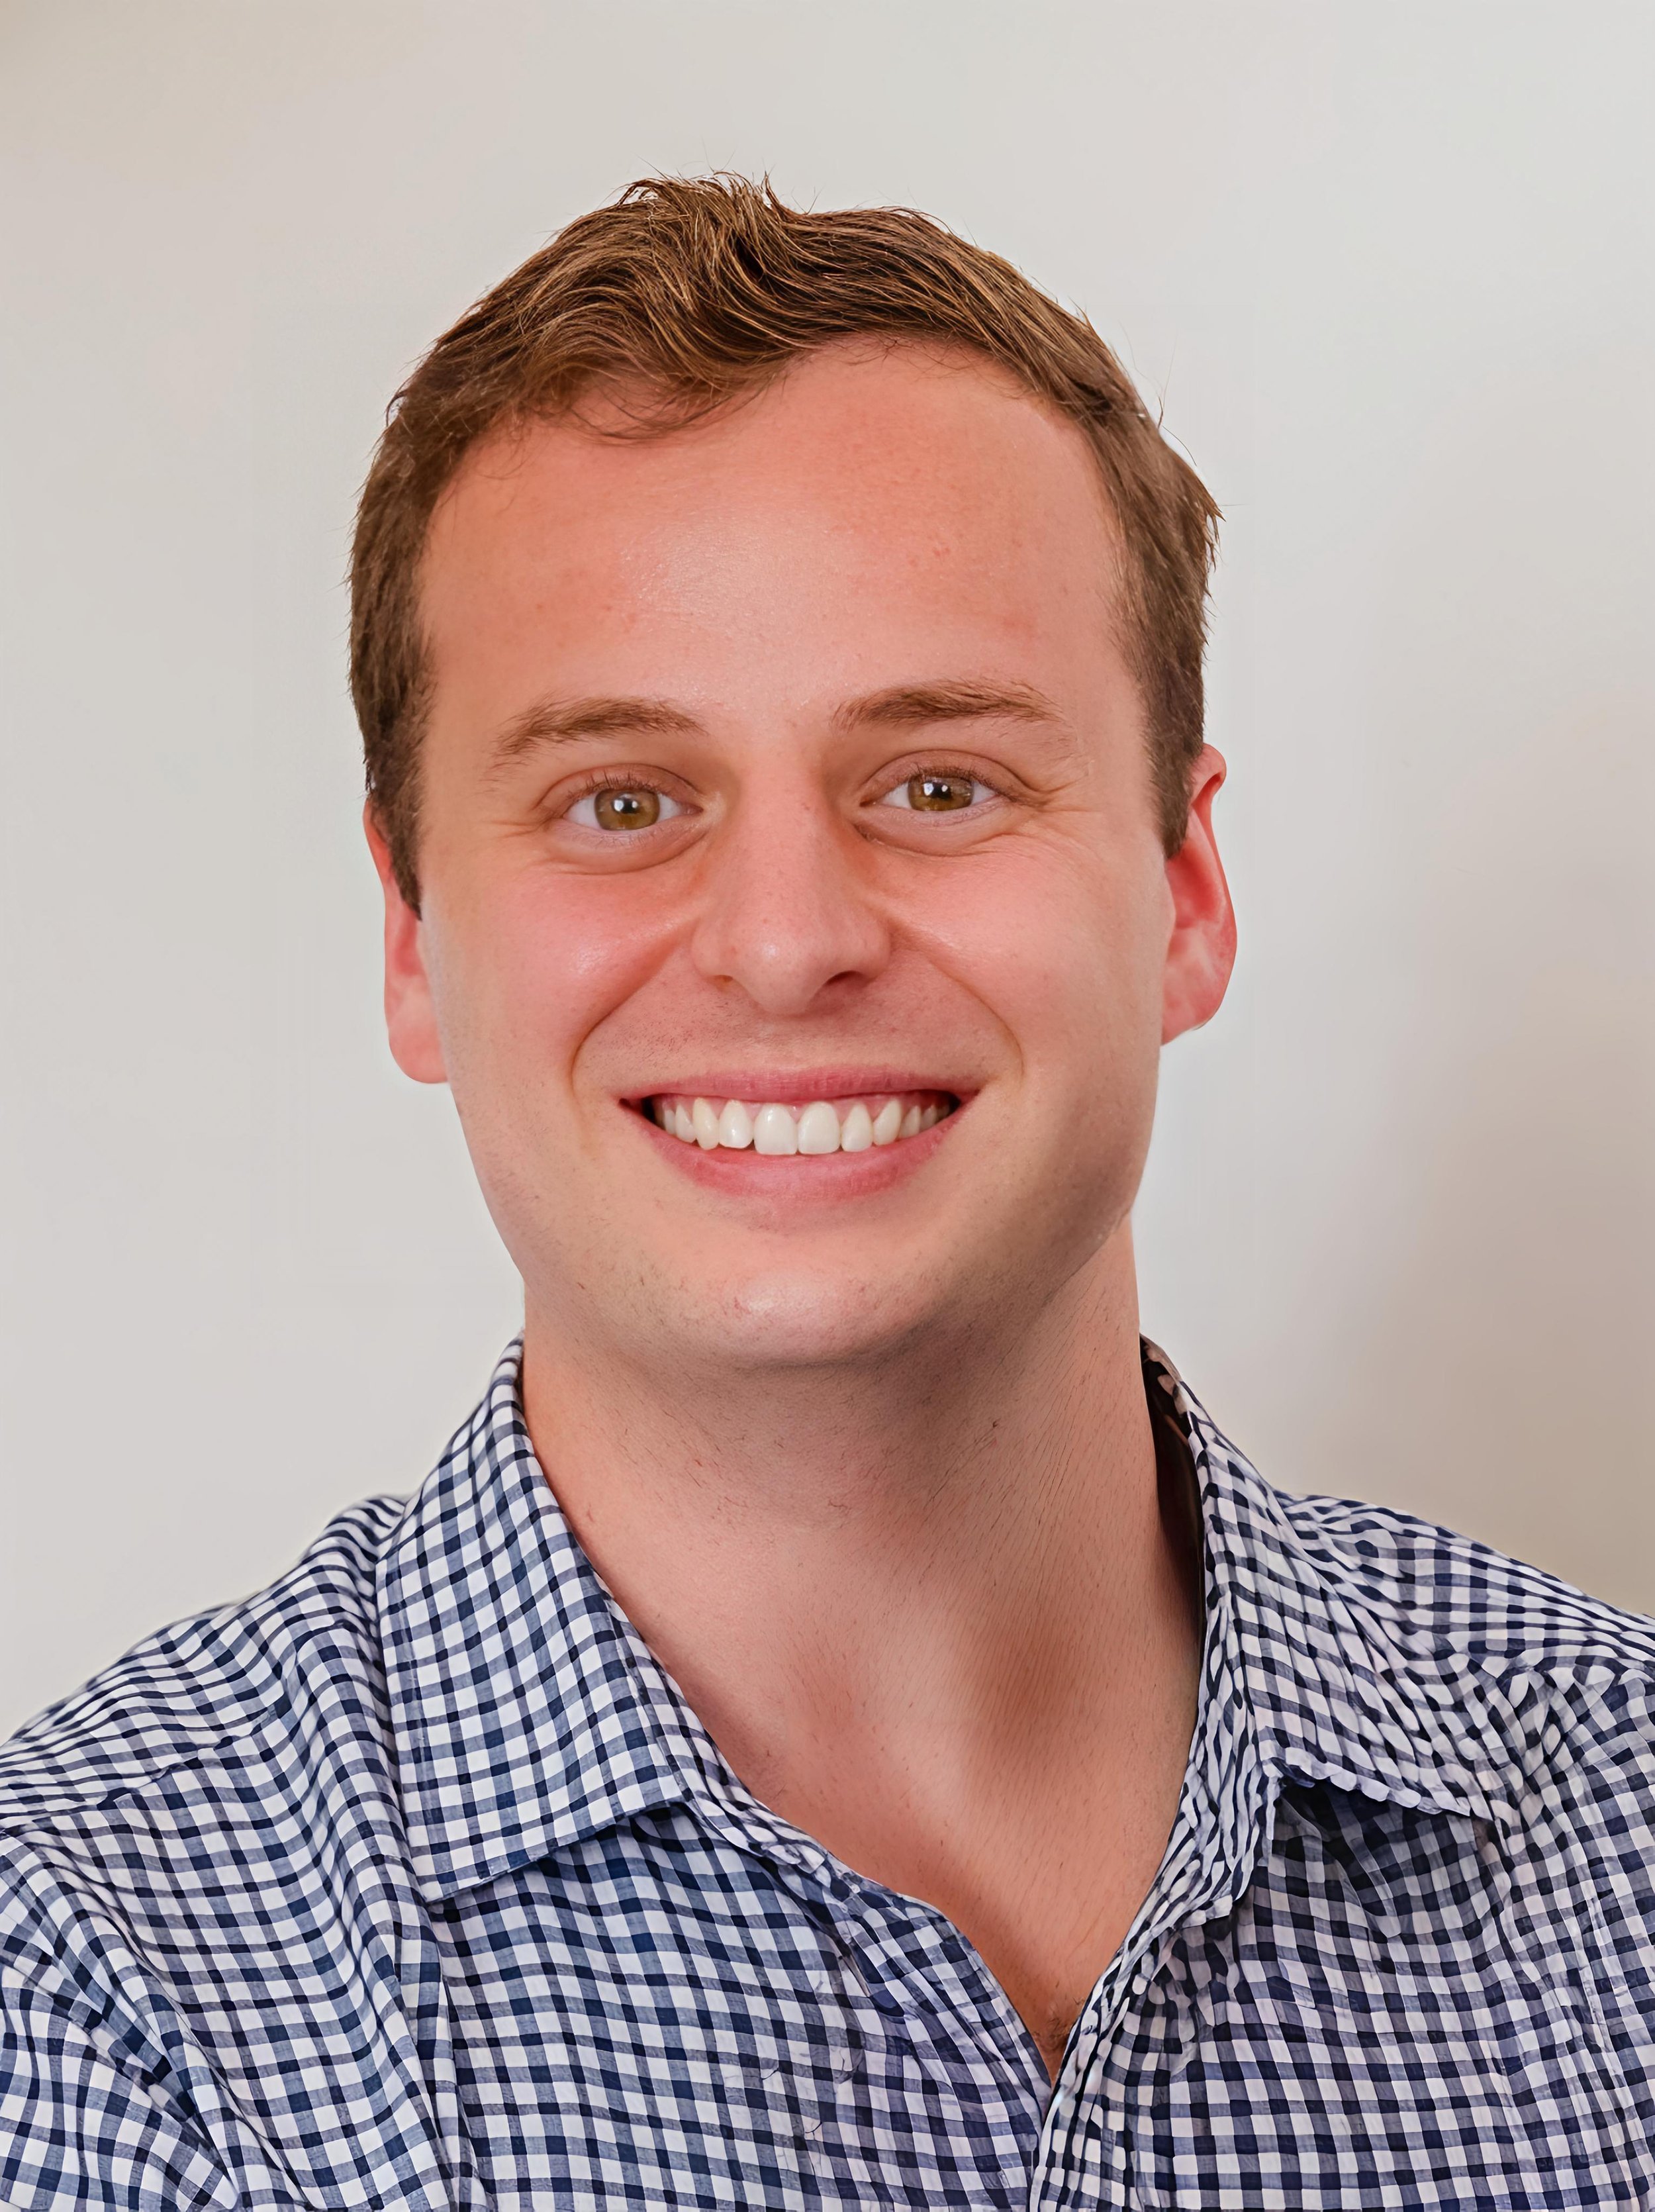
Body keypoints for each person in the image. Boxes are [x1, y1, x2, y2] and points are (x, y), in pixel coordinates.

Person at [3, 174, 1652, 2212]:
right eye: (622, 801)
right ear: (415, 941)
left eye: (938, 784)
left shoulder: (1623, 1824)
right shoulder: (92, 1989)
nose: (785, 944)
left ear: (1181, 891)